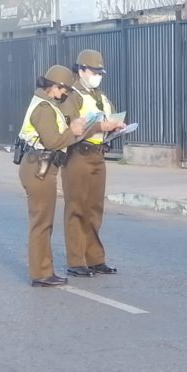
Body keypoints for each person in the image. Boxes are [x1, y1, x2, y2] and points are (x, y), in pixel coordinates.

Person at [17, 66, 86, 287]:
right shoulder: (44, 108)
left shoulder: (44, 103)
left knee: (43, 221)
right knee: (41, 223)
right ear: (55, 86)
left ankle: (44, 270)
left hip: (39, 166)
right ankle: (41, 273)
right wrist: (73, 131)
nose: (65, 95)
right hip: (39, 168)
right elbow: (52, 141)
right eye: (64, 90)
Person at [59, 49, 125, 278]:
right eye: (93, 72)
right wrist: (99, 127)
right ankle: (76, 261)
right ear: (81, 70)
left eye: (99, 72)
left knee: (94, 209)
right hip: (78, 155)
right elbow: (71, 129)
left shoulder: (100, 96)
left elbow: (111, 115)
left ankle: (95, 258)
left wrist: (116, 125)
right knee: (77, 208)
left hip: (98, 154)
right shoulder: (72, 96)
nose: (97, 76)